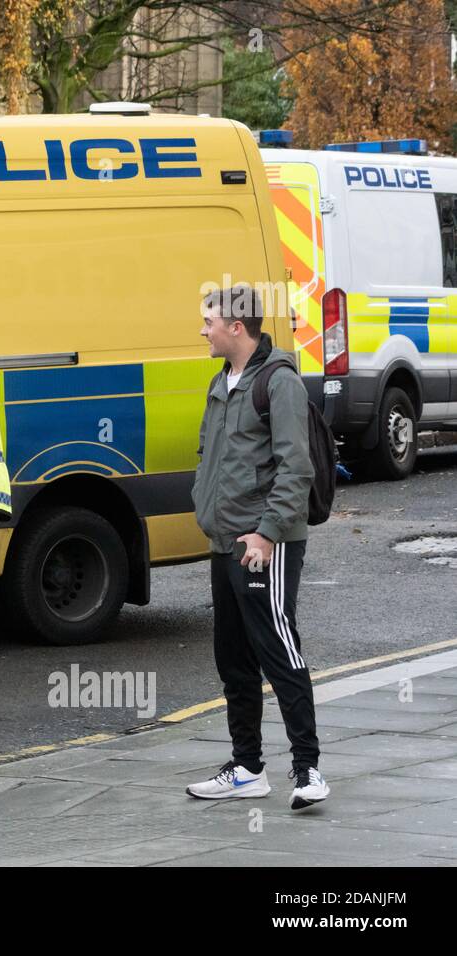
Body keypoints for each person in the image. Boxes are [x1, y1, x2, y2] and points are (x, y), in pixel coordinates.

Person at [187, 283, 329, 810]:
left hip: (266, 541)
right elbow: (209, 454)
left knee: (278, 650)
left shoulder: (279, 383)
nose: (203, 330)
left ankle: (308, 769)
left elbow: (296, 468)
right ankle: (247, 767)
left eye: (209, 322)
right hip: (225, 541)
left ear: (236, 327)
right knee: (233, 658)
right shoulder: (220, 382)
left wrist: (267, 533)